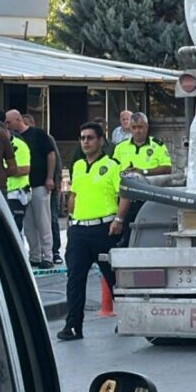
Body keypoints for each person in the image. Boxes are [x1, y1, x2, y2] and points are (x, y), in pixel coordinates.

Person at [58, 122, 131, 341]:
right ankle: (73, 326)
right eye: (82, 138)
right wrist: (71, 220)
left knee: (113, 278)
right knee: (74, 279)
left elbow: (125, 194)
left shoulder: (112, 164)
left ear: (100, 140)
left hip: (105, 228)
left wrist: (119, 219)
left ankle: (128, 319)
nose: (86, 142)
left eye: (90, 137)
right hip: (80, 229)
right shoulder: (78, 165)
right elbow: (73, 194)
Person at [6, 109, 58, 269]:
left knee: (43, 222)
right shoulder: (13, 140)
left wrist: (50, 177)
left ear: (18, 119)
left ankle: (47, 255)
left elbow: (51, 154)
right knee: (28, 225)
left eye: (9, 122)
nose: (7, 125)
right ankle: (34, 255)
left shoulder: (38, 134)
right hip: (23, 188)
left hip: (39, 184)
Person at [112, 112, 172, 242]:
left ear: (147, 127)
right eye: (134, 128)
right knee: (126, 236)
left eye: (140, 127)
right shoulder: (120, 147)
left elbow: (167, 169)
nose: (137, 131)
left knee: (150, 234)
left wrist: (143, 172)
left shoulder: (158, 146)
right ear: (130, 128)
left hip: (150, 199)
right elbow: (113, 170)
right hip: (126, 199)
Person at [5, 131, 32, 238]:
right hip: (0, 190)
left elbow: (25, 169)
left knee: (16, 228)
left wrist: (1, 171)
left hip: (16, 193)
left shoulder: (19, 145)